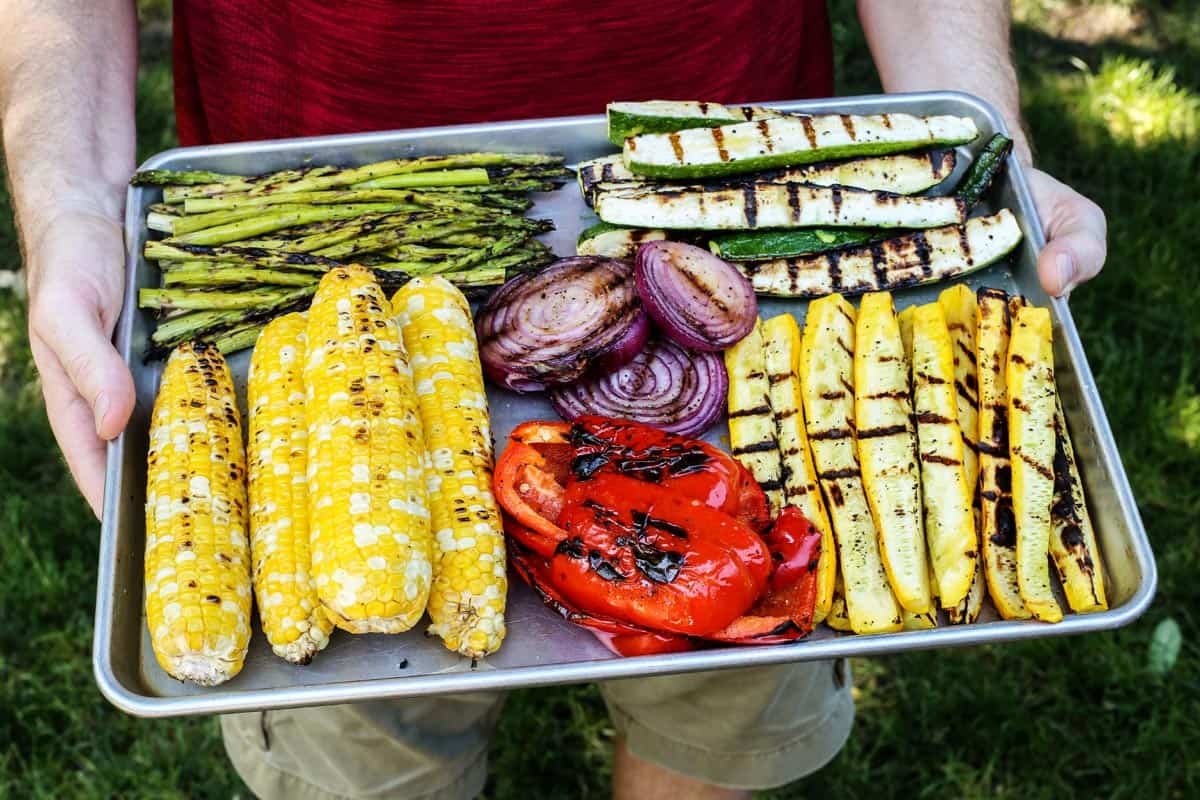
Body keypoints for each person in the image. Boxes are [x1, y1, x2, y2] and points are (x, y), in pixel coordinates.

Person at [1, 2, 1107, 798]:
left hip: (720, 213)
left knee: (724, 701)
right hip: (300, 212)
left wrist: (984, 144)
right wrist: (67, 208)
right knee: (360, 760)